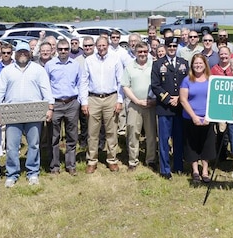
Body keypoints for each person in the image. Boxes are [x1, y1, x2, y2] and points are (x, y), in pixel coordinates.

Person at [0, 44, 54, 187]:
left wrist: (50, 108)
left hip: (34, 112)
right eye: (20, 52)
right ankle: (12, 174)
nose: (22, 55)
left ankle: (33, 172)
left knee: (34, 144)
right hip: (13, 113)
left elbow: (46, 89)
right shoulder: (7, 71)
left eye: (25, 52)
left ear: (30, 53)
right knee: (12, 146)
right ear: (15, 53)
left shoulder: (38, 70)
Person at [78, 34, 124, 173]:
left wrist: (119, 100)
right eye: (99, 46)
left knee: (111, 131)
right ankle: (92, 161)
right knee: (93, 132)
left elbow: (120, 81)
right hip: (93, 99)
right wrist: (84, 102)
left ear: (108, 46)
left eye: (104, 45)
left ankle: (112, 159)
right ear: (96, 47)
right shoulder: (89, 60)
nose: (102, 48)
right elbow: (84, 82)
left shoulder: (115, 59)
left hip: (111, 98)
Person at [151, 36, 187, 179]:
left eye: (174, 46)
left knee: (178, 139)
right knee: (164, 140)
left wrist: (179, 98)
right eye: (169, 46)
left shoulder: (183, 63)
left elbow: (187, 83)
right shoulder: (158, 64)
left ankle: (178, 165)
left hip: (179, 107)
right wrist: (168, 99)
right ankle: (165, 169)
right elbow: (155, 85)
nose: (172, 48)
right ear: (165, 47)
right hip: (164, 108)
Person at [46, 37, 82, 175]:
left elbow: (80, 83)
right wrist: (49, 104)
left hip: (72, 103)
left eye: (66, 49)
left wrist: (79, 101)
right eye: (60, 49)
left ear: (69, 50)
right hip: (55, 103)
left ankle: (70, 165)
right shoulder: (50, 65)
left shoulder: (75, 64)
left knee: (72, 136)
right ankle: (54, 166)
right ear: (57, 50)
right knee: (54, 137)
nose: (63, 51)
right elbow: (46, 85)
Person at [179, 53, 216, 183]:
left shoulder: (211, 79)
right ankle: (195, 171)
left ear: (205, 64)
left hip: (207, 118)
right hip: (190, 118)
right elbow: (183, 100)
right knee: (192, 145)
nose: (198, 66)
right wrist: (194, 116)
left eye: (200, 63)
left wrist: (208, 116)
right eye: (196, 64)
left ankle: (205, 171)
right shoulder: (186, 80)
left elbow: (214, 100)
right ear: (192, 65)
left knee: (206, 145)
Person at [120, 41, 156, 171]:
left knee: (151, 134)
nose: (142, 54)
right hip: (135, 105)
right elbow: (125, 86)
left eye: (145, 51)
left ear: (148, 52)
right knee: (133, 133)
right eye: (140, 52)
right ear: (135, 52)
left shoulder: (154, 66)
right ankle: (132, 161)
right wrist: (136, 101)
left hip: (151, 104)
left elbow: (158, 85)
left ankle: (150, 159)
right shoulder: (129, 67)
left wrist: (154, 100)